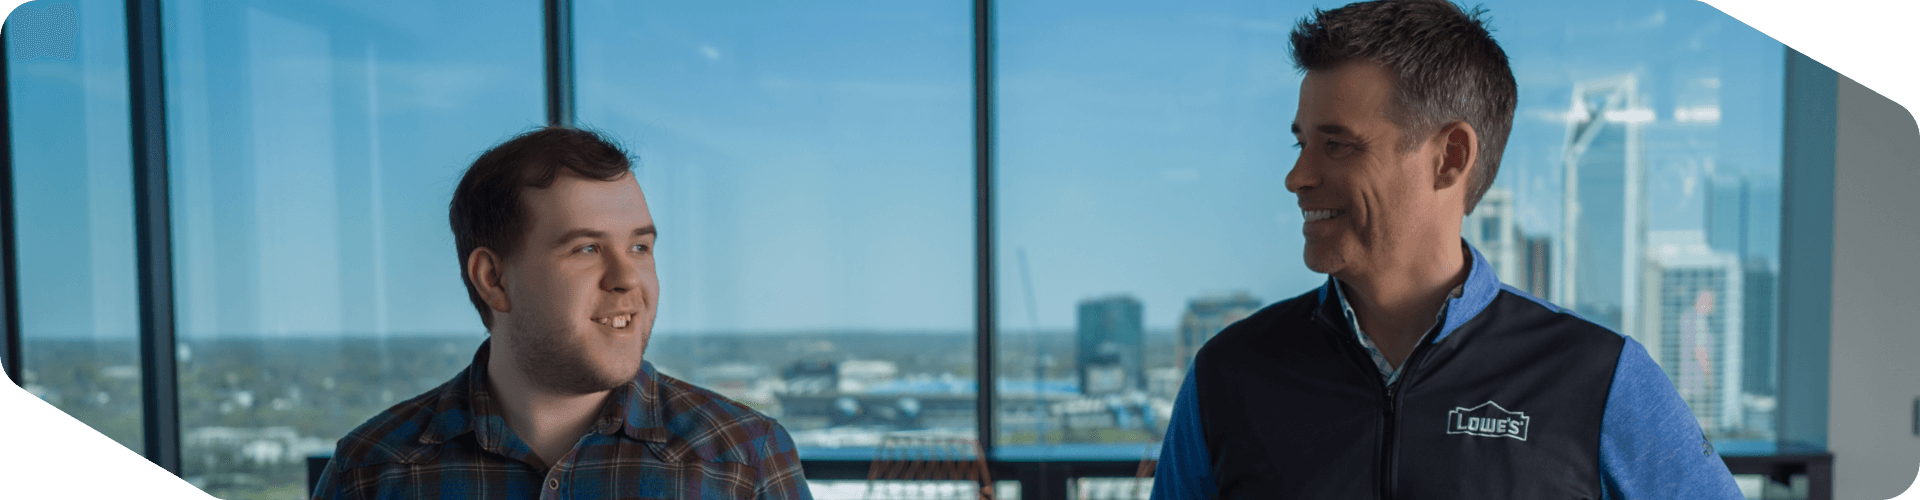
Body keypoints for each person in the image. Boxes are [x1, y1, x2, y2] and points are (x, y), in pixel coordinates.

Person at [1150, 0, 1744, 498]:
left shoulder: (1601, 379)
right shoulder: (1227, 377)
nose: (1298, 177)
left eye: (1337, 146)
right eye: (1301, 143)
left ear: (1450, 157)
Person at [312, 127, 813, 499]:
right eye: (587, 249)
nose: (627, 278)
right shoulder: (371, 471)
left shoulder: (744, 458)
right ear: (493, 278)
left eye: (640, 247)